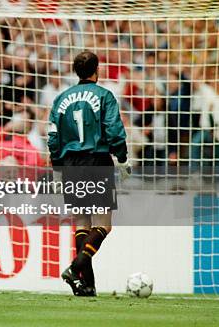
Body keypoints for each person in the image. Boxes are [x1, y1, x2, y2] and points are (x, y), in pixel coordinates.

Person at [47, 51, 130, 297]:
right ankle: (75, 268)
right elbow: (114, 129)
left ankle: (87, 284)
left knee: (82, 223)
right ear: (97, 69)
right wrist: (122, 158)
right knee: (103, 225)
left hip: (71, 163)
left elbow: (53, 136)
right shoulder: (104, 95)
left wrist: (58, 169)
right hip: (96, 160)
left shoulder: (61, 99)